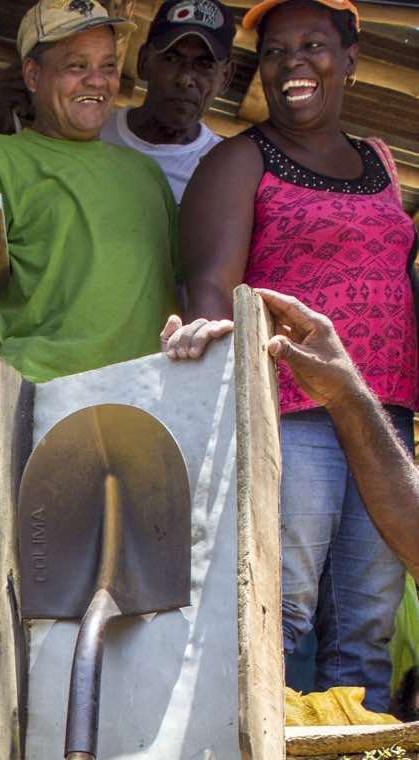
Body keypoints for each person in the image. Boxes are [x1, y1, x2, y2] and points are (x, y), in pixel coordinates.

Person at [162, 0, 419, 712]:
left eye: (311, 45)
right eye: (275, 51)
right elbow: (211, 289)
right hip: (291, 415)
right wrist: (226, 417)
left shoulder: (379, 160)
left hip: (382, 418)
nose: (291, 63)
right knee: (279, 612)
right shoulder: (238, 160)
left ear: (350, 59)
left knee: (365, 627)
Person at [0, 0, 180, 383]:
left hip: (146, 393)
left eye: (107, 66)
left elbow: (182, 283)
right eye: (77, 66)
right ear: (33, 76)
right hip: (42, 390)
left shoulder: (145, 172)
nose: (97, 80)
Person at [258, 285, 419, 760]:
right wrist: (347, 388)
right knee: (281, 610)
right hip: (299, 399)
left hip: (376, 400)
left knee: (357, 632)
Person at [98, 0, 236, 202]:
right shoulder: (92, 133)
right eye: (171, 59)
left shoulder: (225, 171)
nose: (185, 79)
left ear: (225, 78)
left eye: (205, 64)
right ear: (143, 62)